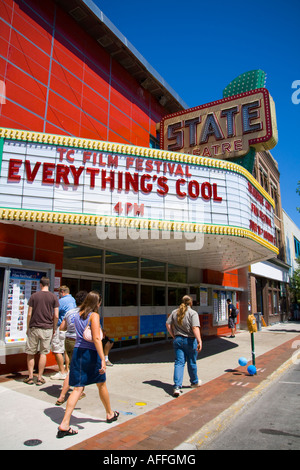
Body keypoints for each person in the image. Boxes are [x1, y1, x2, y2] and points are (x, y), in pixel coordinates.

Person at [57, 291, 119, 438]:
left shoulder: (77, 315)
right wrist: (103, 358)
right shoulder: (94, 316)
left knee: (78, 388)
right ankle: (110, 414)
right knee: (101, 383)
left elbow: (68, 329)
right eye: (99, 303)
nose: (99, 305)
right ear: (96, 303)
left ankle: (65, 423)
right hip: (90, 353)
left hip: (78, 351)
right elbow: (97, 338)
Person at [24, 277, 59, 386]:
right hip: (47, 328)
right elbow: (56, 315)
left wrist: (27, 327)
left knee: (30, 353)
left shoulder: (34, 296)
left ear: (40, 284)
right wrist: (53, 328)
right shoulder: (54, 297)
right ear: (49, 284)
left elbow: (29, 313)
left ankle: (30, 377)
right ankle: (39, 378)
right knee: (43, 353)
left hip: (34, 327)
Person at [55, 290, 88, 406]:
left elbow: (62, 327)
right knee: (78, 369)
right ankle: (65, 394)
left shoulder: (69, 312)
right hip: (80, 342)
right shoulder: (86, 313)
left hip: (68, 341)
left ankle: (77, 391)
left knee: (75, 367)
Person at [166, 295, 202, 398]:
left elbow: (168, 324)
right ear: (191, 303)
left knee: (179, 363)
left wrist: (173, 335)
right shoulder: (193, 313)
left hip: (177, 340)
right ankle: (194, 382)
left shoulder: (175, 312)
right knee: (191, 361)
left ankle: (177, 386)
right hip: (190, 340)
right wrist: (199, 340)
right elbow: (195, 328)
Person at [51, 286, 76, 380]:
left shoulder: (61, 301)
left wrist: (53, 327)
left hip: (61, 327)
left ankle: (61, 372)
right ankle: (67, 369)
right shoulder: (73, 300)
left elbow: (55, 314)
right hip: (70, 329)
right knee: (66, 350)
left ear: (62, 292)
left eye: (59, 293)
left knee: (57, 349)